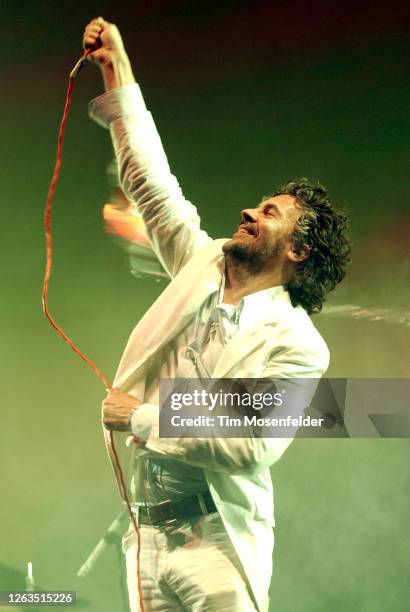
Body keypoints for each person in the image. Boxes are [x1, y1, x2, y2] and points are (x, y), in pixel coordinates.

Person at [83, 17, 351, 612]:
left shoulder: (298, 344)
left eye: (269, 213)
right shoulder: (197, 265)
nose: (249, 212)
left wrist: (144, 418)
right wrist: (116, 69)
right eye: (257, 204)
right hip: (145, 532)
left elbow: (251, 446)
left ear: (297, 250)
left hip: (216, 543)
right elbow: (150, 183)